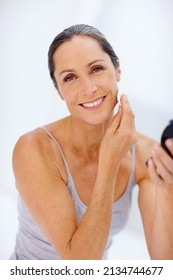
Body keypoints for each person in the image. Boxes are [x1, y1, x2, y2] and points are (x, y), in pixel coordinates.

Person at [10, 24, 173, 260]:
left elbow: (164, 261)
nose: (88, 89)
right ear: (59, 91)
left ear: (117, 69)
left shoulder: (144, 153)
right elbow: (81, 263)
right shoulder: (33, 149)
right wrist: (109, 163)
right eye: (70, 78)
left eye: (96, 69)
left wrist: (167, 187)